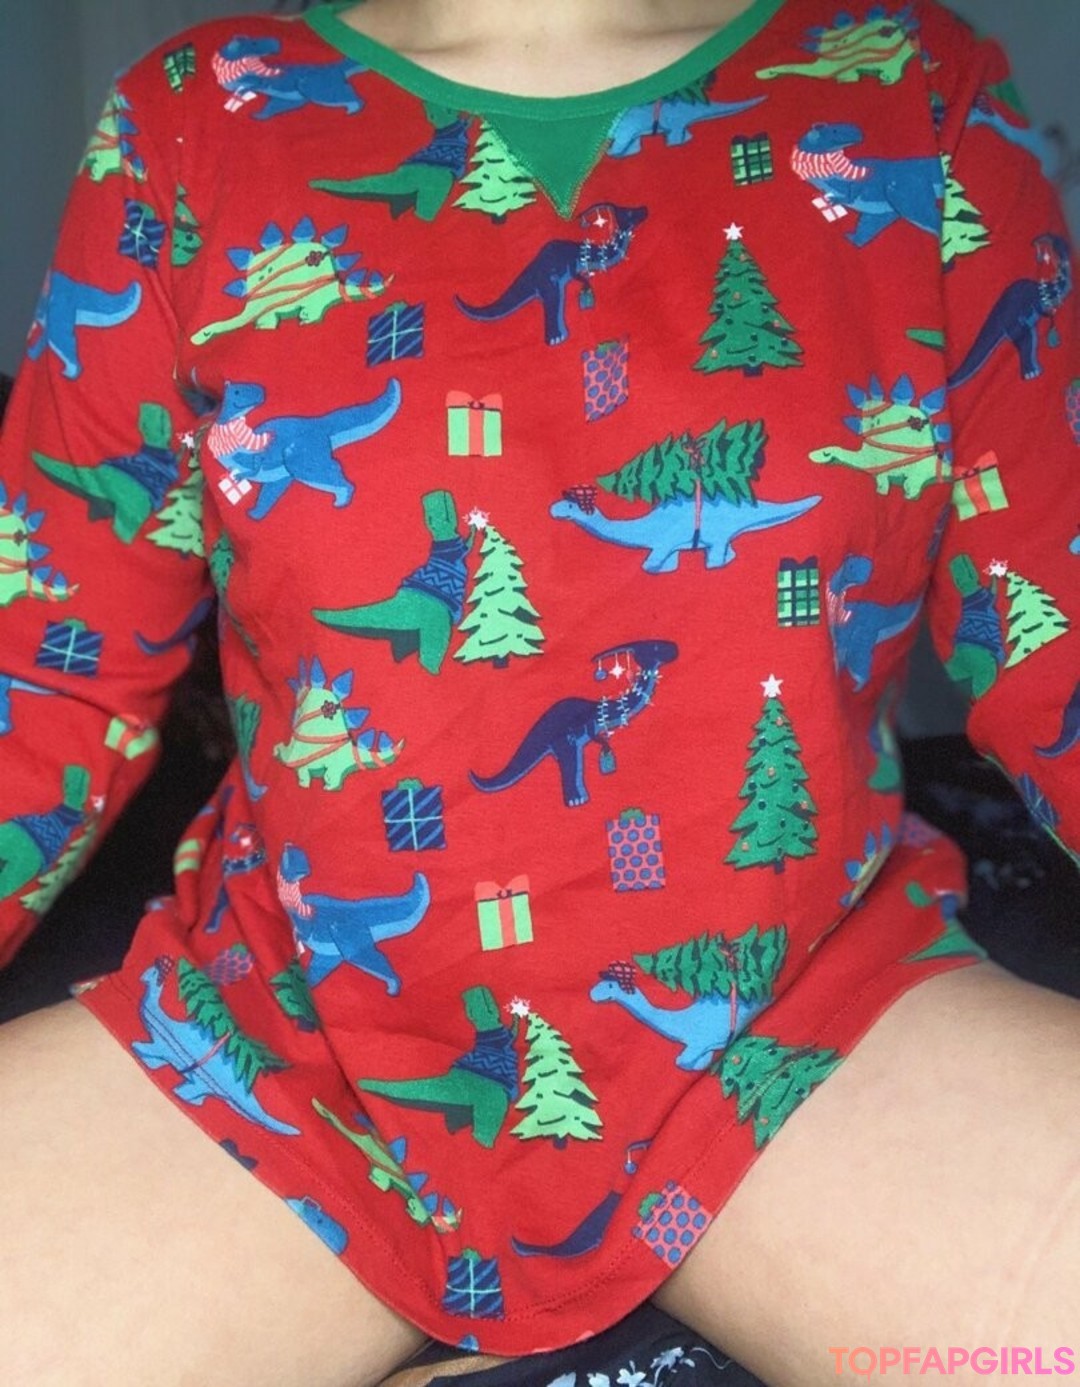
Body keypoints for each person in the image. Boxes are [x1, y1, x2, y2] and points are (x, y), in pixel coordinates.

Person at [1, 0, 1078, 1382]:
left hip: (803, 1014)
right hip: (293, 1033)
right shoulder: (194, 115)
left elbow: (1055, 638)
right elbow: (44, 677)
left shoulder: (911, 86)